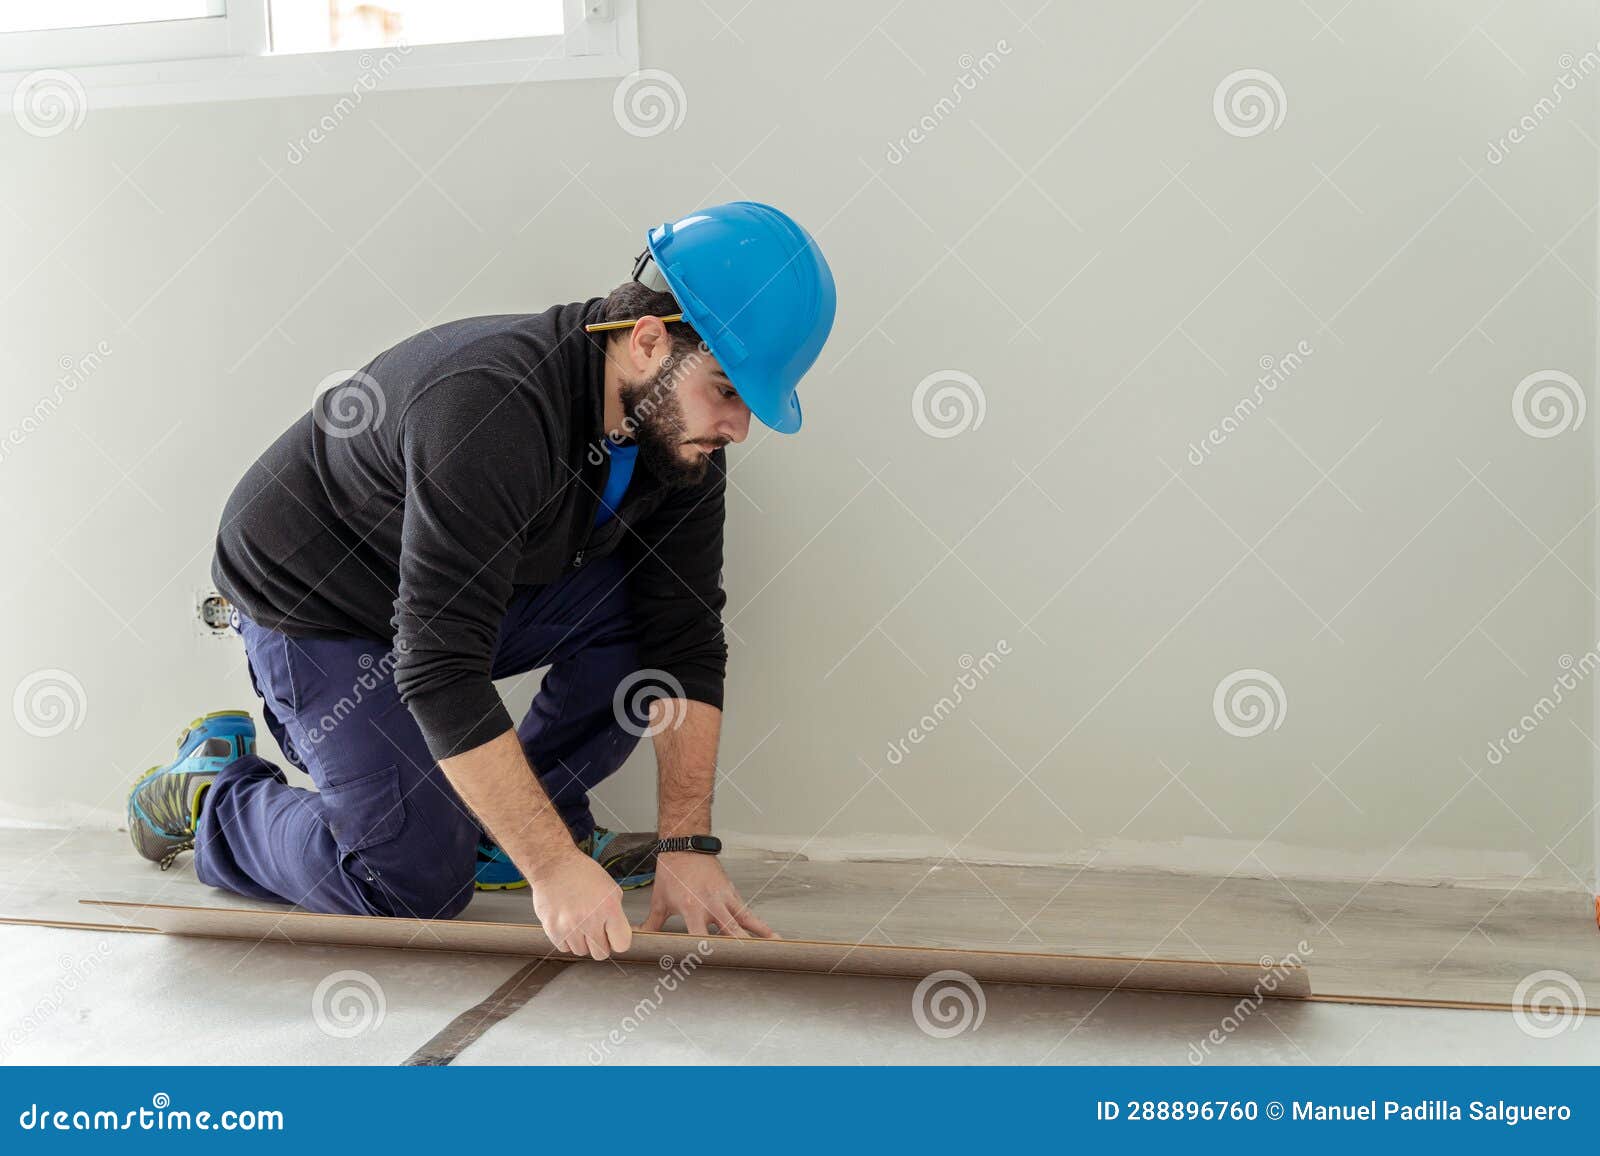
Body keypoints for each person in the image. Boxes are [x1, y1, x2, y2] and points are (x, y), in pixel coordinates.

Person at [125, 202, 836, 962]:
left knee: (644, 615)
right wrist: (555, 870)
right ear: (648, 342)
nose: (739, 427)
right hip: (320, 601)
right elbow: (438, 668)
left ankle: (515, 827)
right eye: (727, 390)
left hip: (446, 600)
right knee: (407, 884)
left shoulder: (677, 442)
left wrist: (687, 842)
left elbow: (685, 635)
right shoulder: (490, 409)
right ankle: (214, 798)